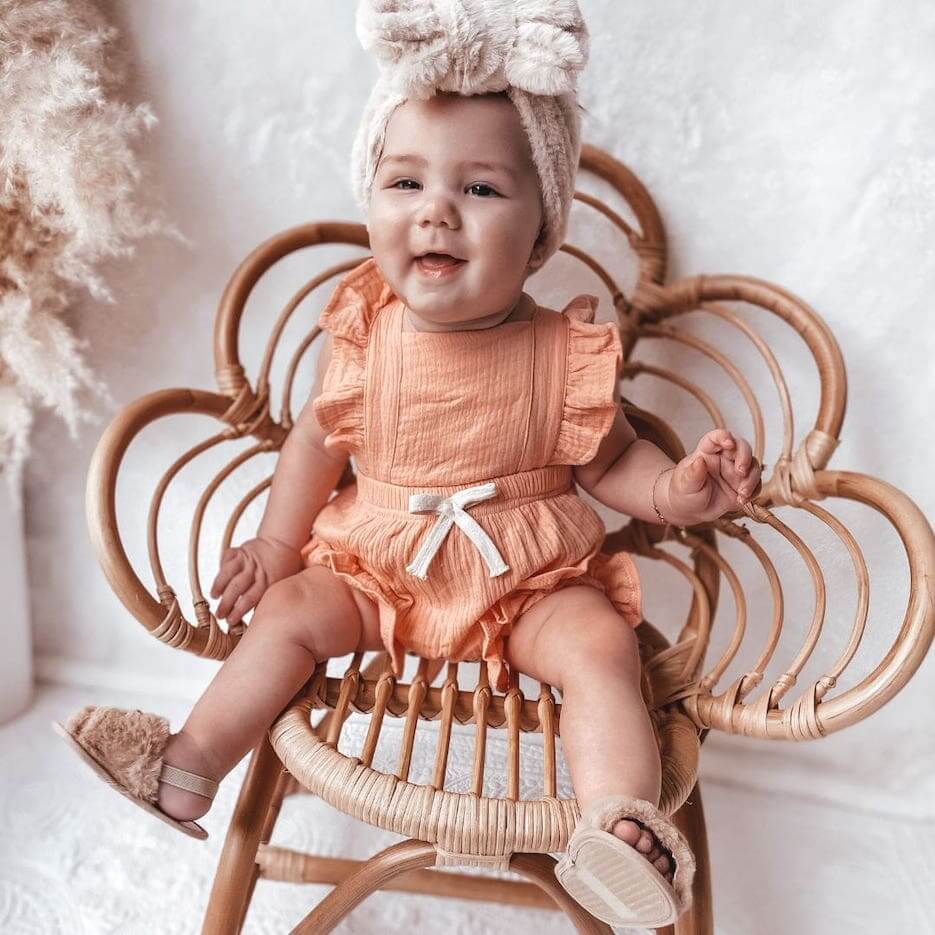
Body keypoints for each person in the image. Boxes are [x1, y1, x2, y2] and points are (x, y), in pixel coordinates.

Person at [54, 1, 761, 927]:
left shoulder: (562, 349)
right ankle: (189, 766)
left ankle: (616, 829)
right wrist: (274, 548)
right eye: (404, 181)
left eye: (481, 189)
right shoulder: (364, 331)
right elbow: (315, 443)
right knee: (288, 611)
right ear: (372, 202)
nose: (436, 209)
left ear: (540, 231)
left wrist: (674, 490)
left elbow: (612, 461)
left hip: (525, 584)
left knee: (600, 643)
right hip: (375, 569)